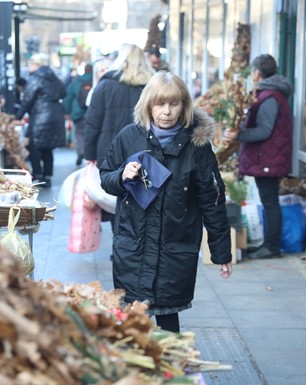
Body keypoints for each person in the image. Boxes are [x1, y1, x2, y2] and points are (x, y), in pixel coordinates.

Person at [99, 71, 233, 333]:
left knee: (168, 319)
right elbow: (105, 177)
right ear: (149, 104)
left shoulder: (197, 146)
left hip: (174, 248)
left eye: (174, 104)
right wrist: (121, 176)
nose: (167, 111)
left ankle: (172, 369)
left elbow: (212, 200)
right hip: (133, 246)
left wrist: (222, 252)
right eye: (160, 104)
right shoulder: (129, 137)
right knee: (131, 323)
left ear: (184, 105)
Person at [226, 54, 293, 260]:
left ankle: (272, 247)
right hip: (268, 158)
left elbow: (264, 131)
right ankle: (269, 245)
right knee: (269, 200)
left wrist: (239, 135)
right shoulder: (270, 94)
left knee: (270, 201)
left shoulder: (270, 97)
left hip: (268, 159)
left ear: (257, 73)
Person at [85, 44, 154, 228]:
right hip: (146, 151)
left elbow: (92, 123)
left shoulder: (105, 85)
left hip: (109, 151)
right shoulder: (152, 86)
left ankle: (122, 244)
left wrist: (89, 155)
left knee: (116, 196)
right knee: (145, 197)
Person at [15, 53, 66, 188]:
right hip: (55, 115)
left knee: (34, 147)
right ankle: (47, 176)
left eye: (31, 63)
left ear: (37, 65)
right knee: (48, 148)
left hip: (40, 117)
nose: (29, 66)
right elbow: (63, 92)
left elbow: (27, 100)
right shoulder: (53, 77)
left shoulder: (35, 78)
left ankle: (37, 175)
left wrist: (17, 117)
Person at [64, 63, 93, 165]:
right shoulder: (97, 80)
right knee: (91, 135)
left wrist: (66, 112)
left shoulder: (77, 81)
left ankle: (81, 152)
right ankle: (89, 155)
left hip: (78, 113)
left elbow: (68, 97)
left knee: (79, 134)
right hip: (92, 113)